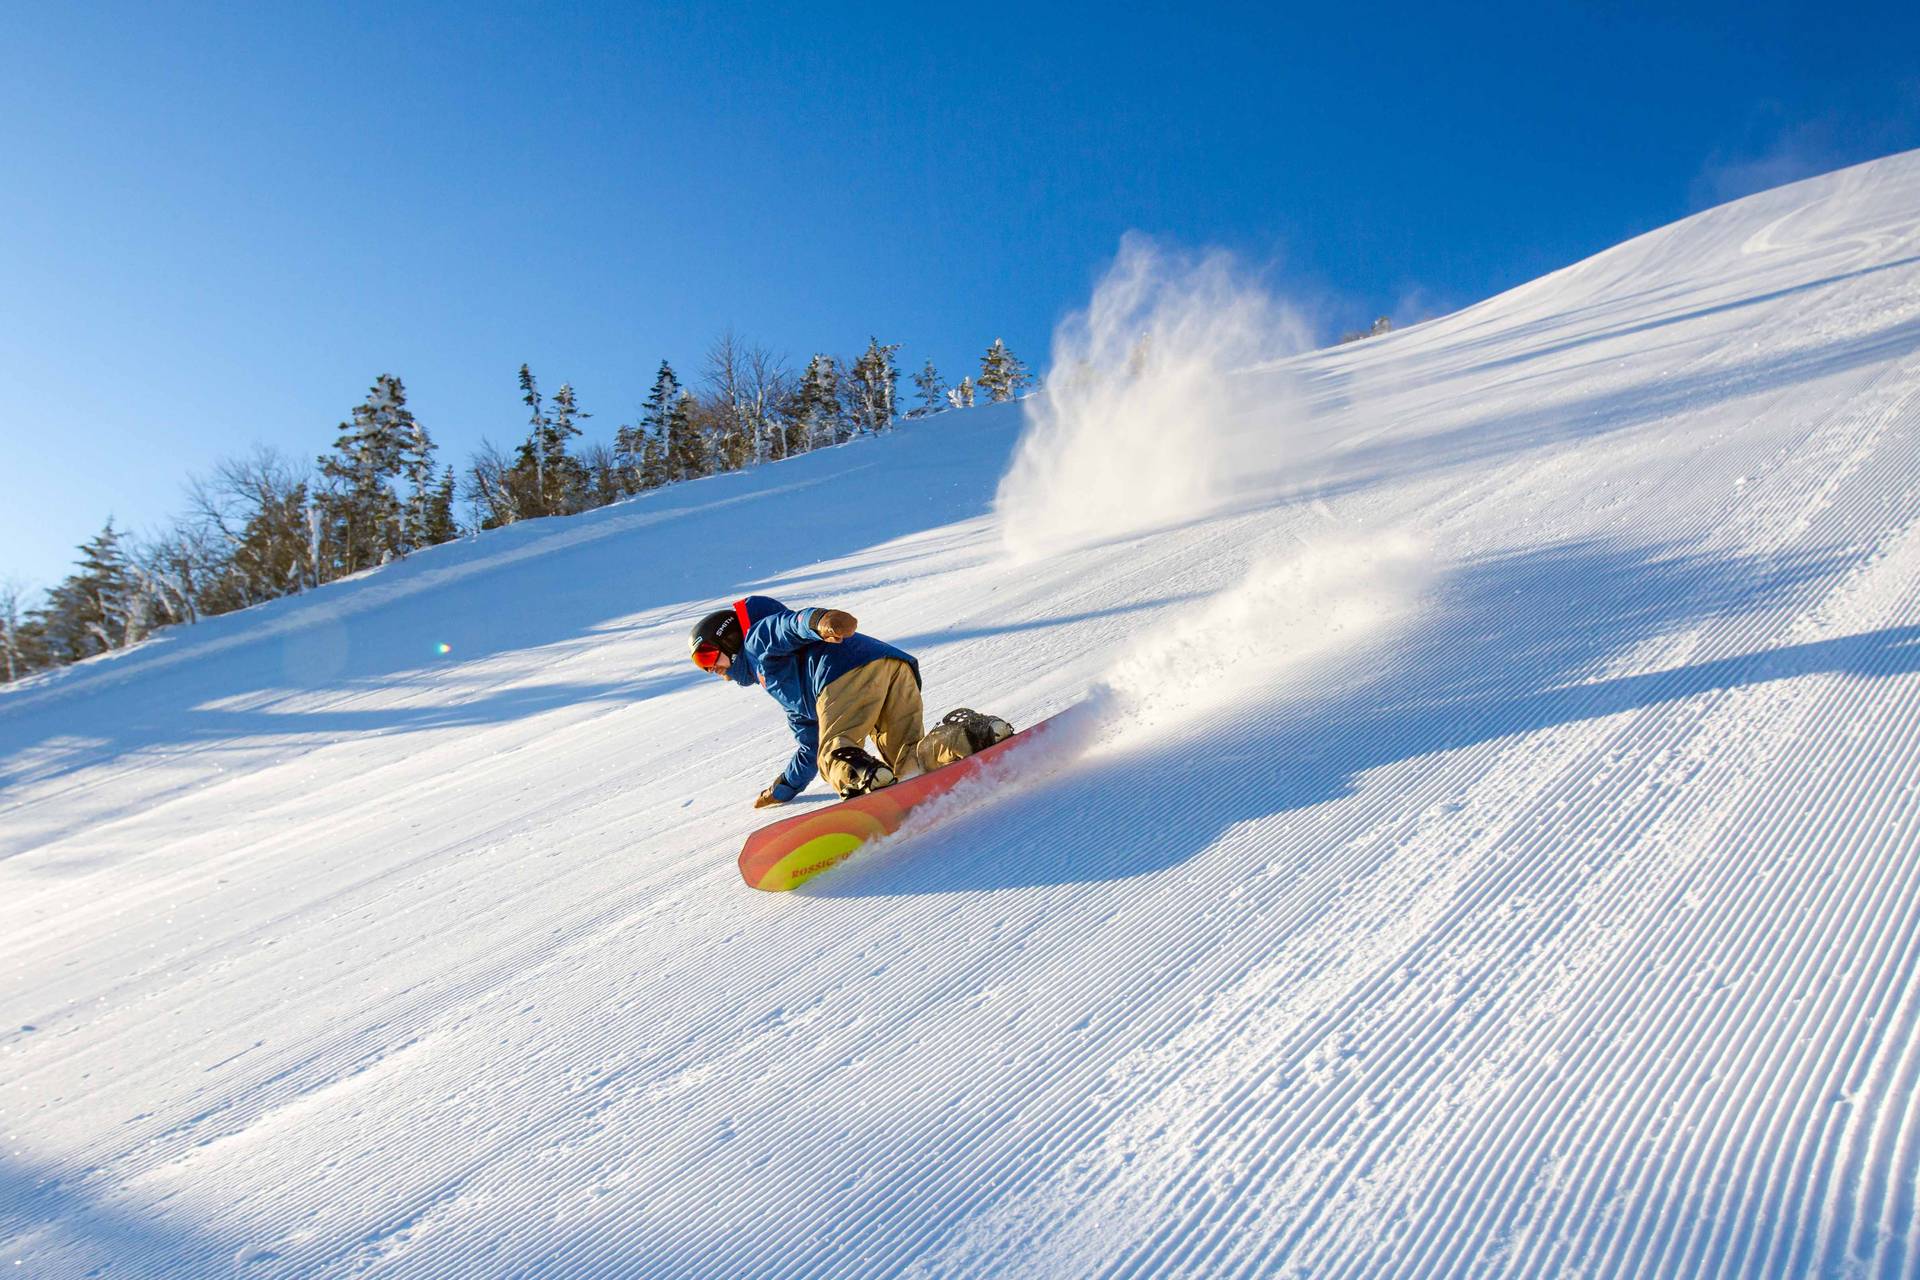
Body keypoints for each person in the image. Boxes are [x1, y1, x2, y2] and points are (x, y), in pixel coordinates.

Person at [689, 596, 1013, 808]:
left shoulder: (756, 641)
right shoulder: (788, 692)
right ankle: (973, 735)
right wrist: (783, 788)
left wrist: (821, 621)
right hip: (892, 667)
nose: (710, 669)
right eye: (701, 665)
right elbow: (809, 746)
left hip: (842, 673)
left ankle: (867, 781)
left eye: (707, 656)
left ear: (729, 639)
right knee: (909, 761)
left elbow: (790, 625)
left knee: (834, 756)